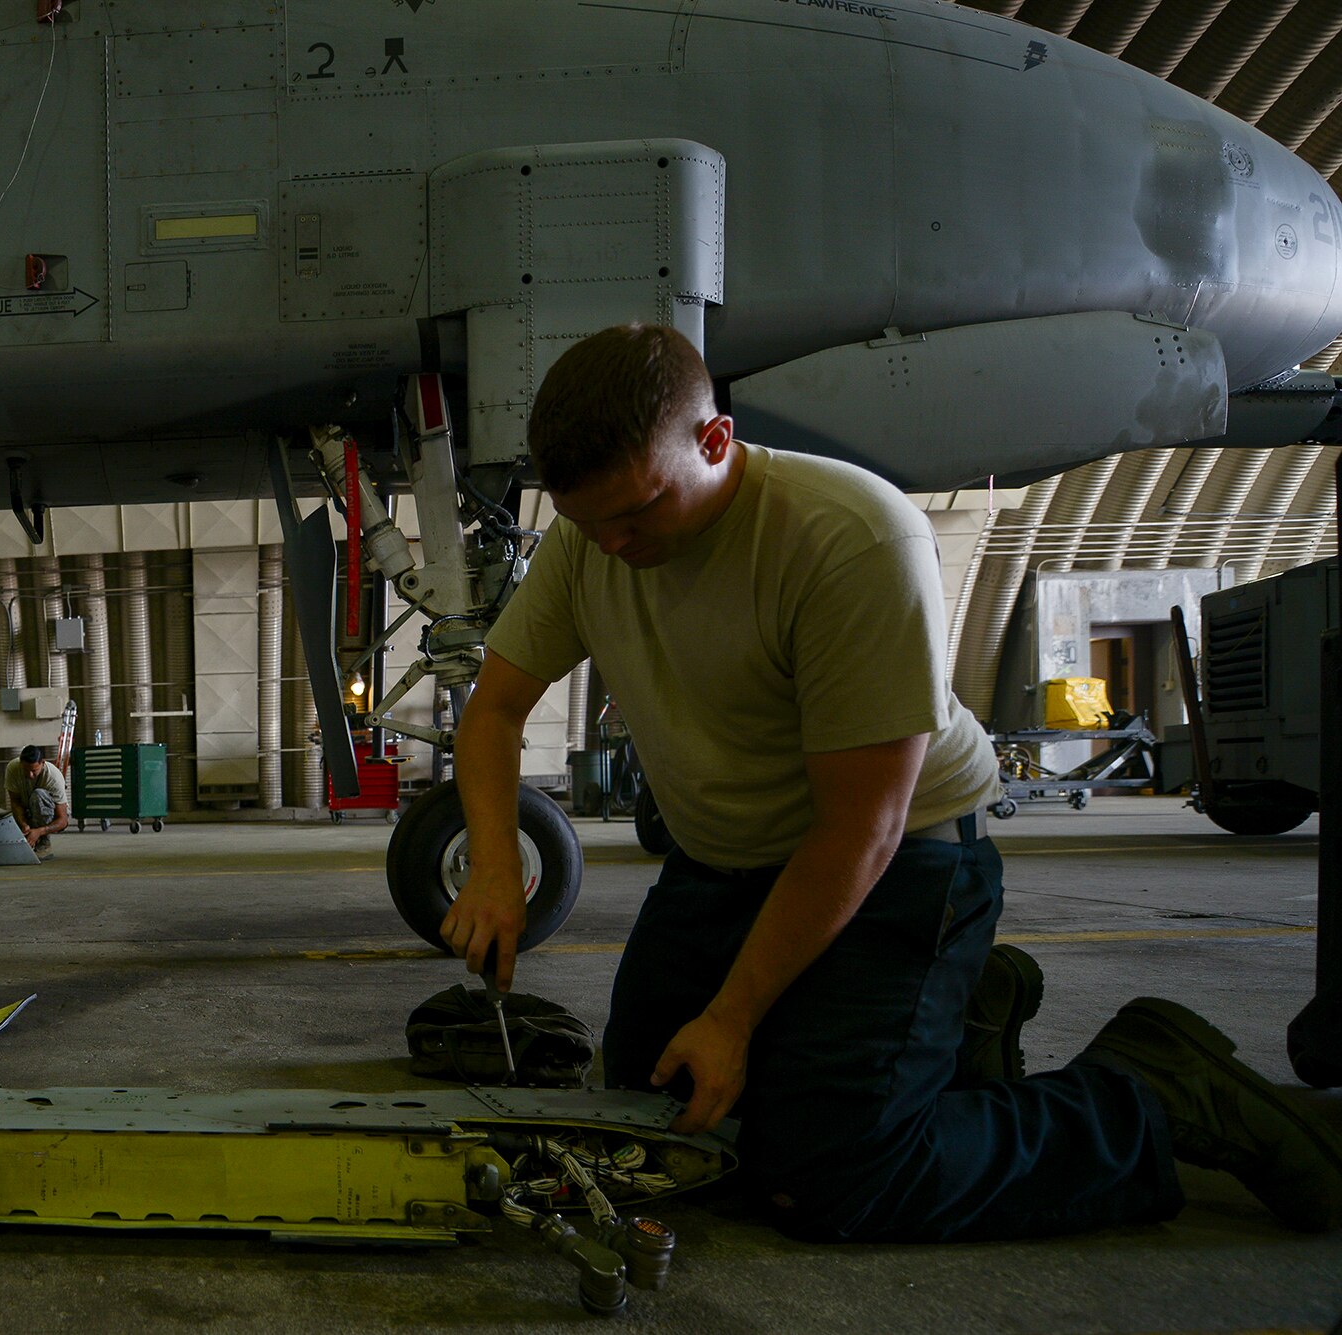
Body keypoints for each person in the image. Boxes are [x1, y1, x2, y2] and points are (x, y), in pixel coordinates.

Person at [441, 323, 1342, 1241]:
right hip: (727, 865)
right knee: (654, 1128)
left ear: (716, 442)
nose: (614, 543)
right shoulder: (591, 540)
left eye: (637, 512)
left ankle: (1146, 1093)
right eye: (591, 523)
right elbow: (494, 713)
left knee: (832, 1178)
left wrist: (733, 1015)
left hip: (901, 862)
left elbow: (857, 832)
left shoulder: (850, 537)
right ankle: (953, 1040)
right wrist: (490, 866)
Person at [2, 744, 70, 859]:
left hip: (50, 816)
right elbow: (15, 801)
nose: (30, 775)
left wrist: (40, 831)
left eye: (34, 771)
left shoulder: (54, 777)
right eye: (26, 770)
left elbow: (63, 821)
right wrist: (23, 824)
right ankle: (28, 837)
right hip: (28, 810)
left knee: (38, 795)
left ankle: (44, 843)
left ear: (42, 763)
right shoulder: (12, 768)